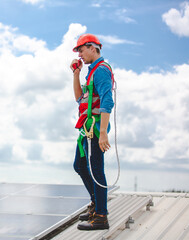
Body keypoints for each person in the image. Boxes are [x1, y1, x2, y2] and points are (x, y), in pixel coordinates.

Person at [70, 33, 114, 230]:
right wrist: (76, 74)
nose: (79, 54)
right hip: (87, 128)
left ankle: (101, 217)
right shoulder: (91, 71)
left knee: (96, 170)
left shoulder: (101, 70)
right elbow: (80, 99)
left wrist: (103, 132)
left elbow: (107, 101)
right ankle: (97, 204)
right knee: (80, 165)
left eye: (81, 49)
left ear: (92, 47)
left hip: (96, 128)